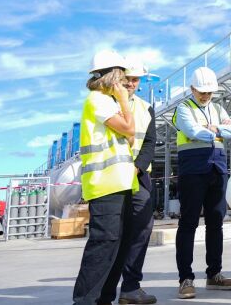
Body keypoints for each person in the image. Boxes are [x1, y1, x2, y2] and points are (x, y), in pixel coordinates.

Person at [73, 50, 138, 305]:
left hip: (119, 183)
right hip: (104, 184)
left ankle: (104, 299)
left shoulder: (107, 102)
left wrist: (121, 106)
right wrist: (123, 100)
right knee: (103, 244)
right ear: (112, 75)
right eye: (122, 77)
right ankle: (84, 301)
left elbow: (129, 137)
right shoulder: (98, 100)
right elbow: (130, 129)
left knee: (118, 245)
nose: (125, 83)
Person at [172, 67, 231, 299]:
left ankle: (214, 274)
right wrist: (217, 131)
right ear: (192, 89)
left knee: (216, 223)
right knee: (188, 223)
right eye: (201, 92)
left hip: (217, 170)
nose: (205, 96)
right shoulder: (183, 109)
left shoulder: (218, 108)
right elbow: (193, 131)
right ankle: (185, 279)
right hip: (193, 171)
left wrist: (216, 128)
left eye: (209, 92)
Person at [117, 59, 157, 305]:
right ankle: (105, 289)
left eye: (135, 79)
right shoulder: (107, 103)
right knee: (113, 233)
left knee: (142, 229)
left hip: (138, 176)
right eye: (127, 79)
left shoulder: (145, 107)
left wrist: (138, 166)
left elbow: (150, 142)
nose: (131, 83)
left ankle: (130, 287)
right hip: (112, 176)